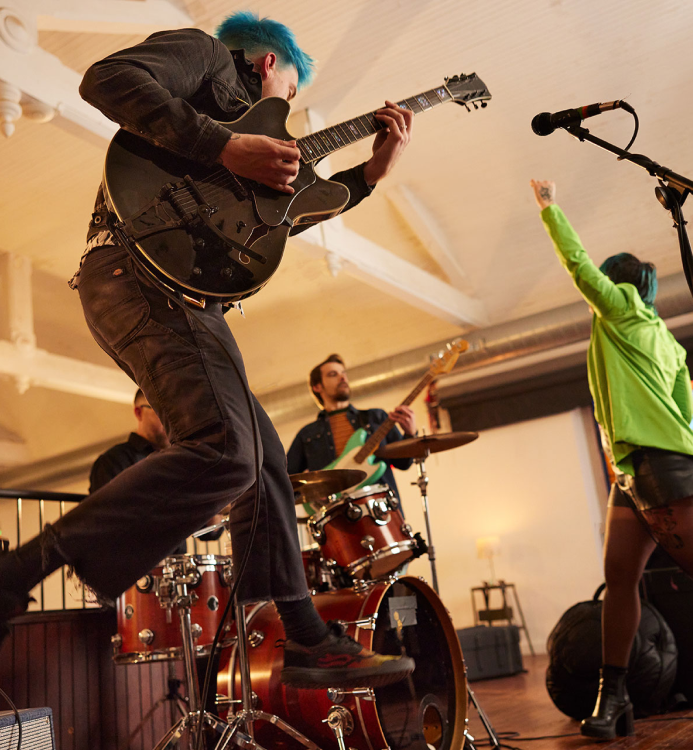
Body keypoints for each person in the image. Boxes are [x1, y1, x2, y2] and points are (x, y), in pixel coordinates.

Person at [0, 11, 416, 689]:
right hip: (141, 274)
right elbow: (105, 79)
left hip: (166, 293)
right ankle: (16, 573)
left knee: (262, 460)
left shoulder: (247, 156)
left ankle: (301, 635)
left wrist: (371, 175)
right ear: (263, 67)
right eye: (289, 92)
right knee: (227, 447)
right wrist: (224, 147)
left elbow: (292, 210)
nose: (289, 113)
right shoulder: (204, 58)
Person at [531, 179, 693, 739]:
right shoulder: (666, 342)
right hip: (637, 466)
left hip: (657, 463)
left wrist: (550, 207)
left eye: (609, 281)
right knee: (620, 578)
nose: (600, 290)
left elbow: (581, 268)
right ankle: (614, 698)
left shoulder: (622, 309)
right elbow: (689, 414)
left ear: (624, 286)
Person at [90, 389, 223, 553]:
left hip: (176, 569)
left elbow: (209, 531)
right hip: (136, 567)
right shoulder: (113, 461)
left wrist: (215, 494)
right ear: (139, 412)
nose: (173, 421)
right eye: (163, 411)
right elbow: (108, 524)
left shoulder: (181, 461)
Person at [287, 354, 417, 507]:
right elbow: (286, 481)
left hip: (383, 507)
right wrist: (312, 493)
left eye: (344, 373)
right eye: (333, 374)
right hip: (337, 515)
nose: (342, 378)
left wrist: (410, 434)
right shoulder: (306, 434)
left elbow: (404, 463)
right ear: (317, 387)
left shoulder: (376, 417)